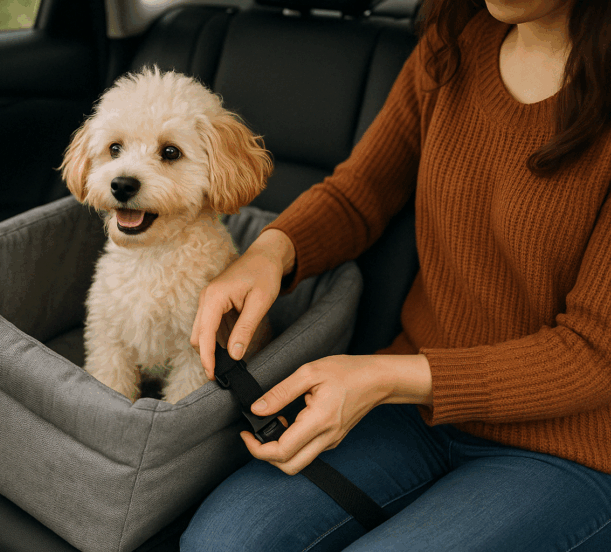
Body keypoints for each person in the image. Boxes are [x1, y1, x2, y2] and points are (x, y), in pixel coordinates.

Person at [181, 0, 611, 550]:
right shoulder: (453, 44)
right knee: (221, 542)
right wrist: (270, 253)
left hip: (566, 447)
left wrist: (384, 377)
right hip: (417, 410)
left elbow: (595, 352)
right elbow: (361, 191)